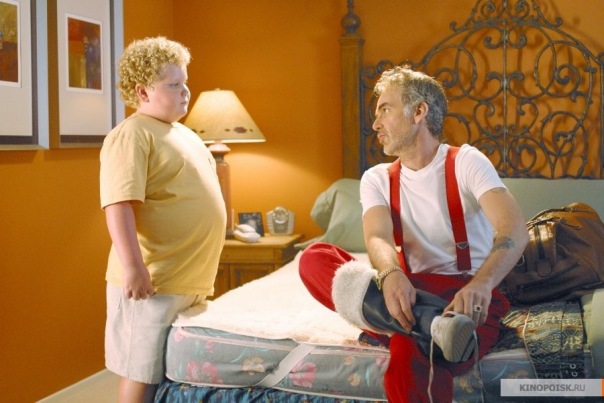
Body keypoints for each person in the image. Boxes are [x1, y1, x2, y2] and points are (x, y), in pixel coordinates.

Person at [299, 66, 529, 402]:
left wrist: (481, 285)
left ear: (419, 111)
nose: (375, 124)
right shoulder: (376, 178)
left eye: (385, 110)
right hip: (403, 293)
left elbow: (514, 230)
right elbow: (377, 237)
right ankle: (432, 326)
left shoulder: (466, 162)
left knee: (408, 354)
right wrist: (390, 274)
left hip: (463, 297)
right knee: (313, 258)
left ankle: (414, 325)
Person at [99, 37, 226, 403]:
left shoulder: (184, 134)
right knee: (141, 372)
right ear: (143, 92)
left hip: (186, 279)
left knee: (168, 371)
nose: (185, 91)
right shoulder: (133, 134)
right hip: (153, 280)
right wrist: (133, 267)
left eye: (185, 81)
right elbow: (118, 204)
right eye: (173, 84)